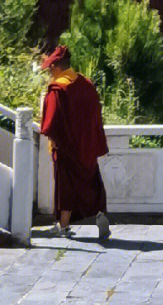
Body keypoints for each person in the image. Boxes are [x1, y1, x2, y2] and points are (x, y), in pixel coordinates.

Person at [39, 45, 110, 240]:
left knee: (66, 187)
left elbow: (51, 123)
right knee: (91, 183)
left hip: (65, 146)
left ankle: (63, 226)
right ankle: (100, 214)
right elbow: (95, 116)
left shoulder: (57, 89)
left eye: (50, 68)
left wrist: (54, 140)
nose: (49, 73)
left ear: (56, 66)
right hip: (86, 145)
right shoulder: (86, 84)